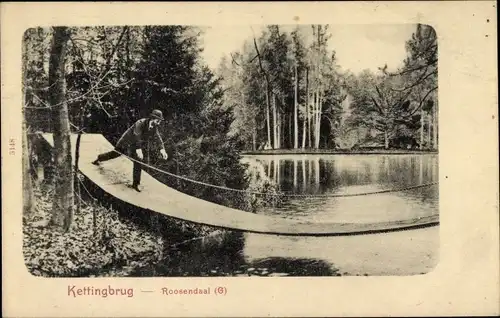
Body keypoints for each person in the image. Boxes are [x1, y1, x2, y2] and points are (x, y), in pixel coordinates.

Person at [92, 109, 169, 192]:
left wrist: (162, 150)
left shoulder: (154, 127)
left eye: (160, 121)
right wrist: (139, 149)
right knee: (114, 154)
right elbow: (137, 136)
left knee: (138, 161)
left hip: (135, 145)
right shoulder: (140, 123)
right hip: (126, 141)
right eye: (158, 120)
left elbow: (157, 138)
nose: (159, 123)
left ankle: (136, 184)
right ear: (152, 118)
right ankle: (99, 158)